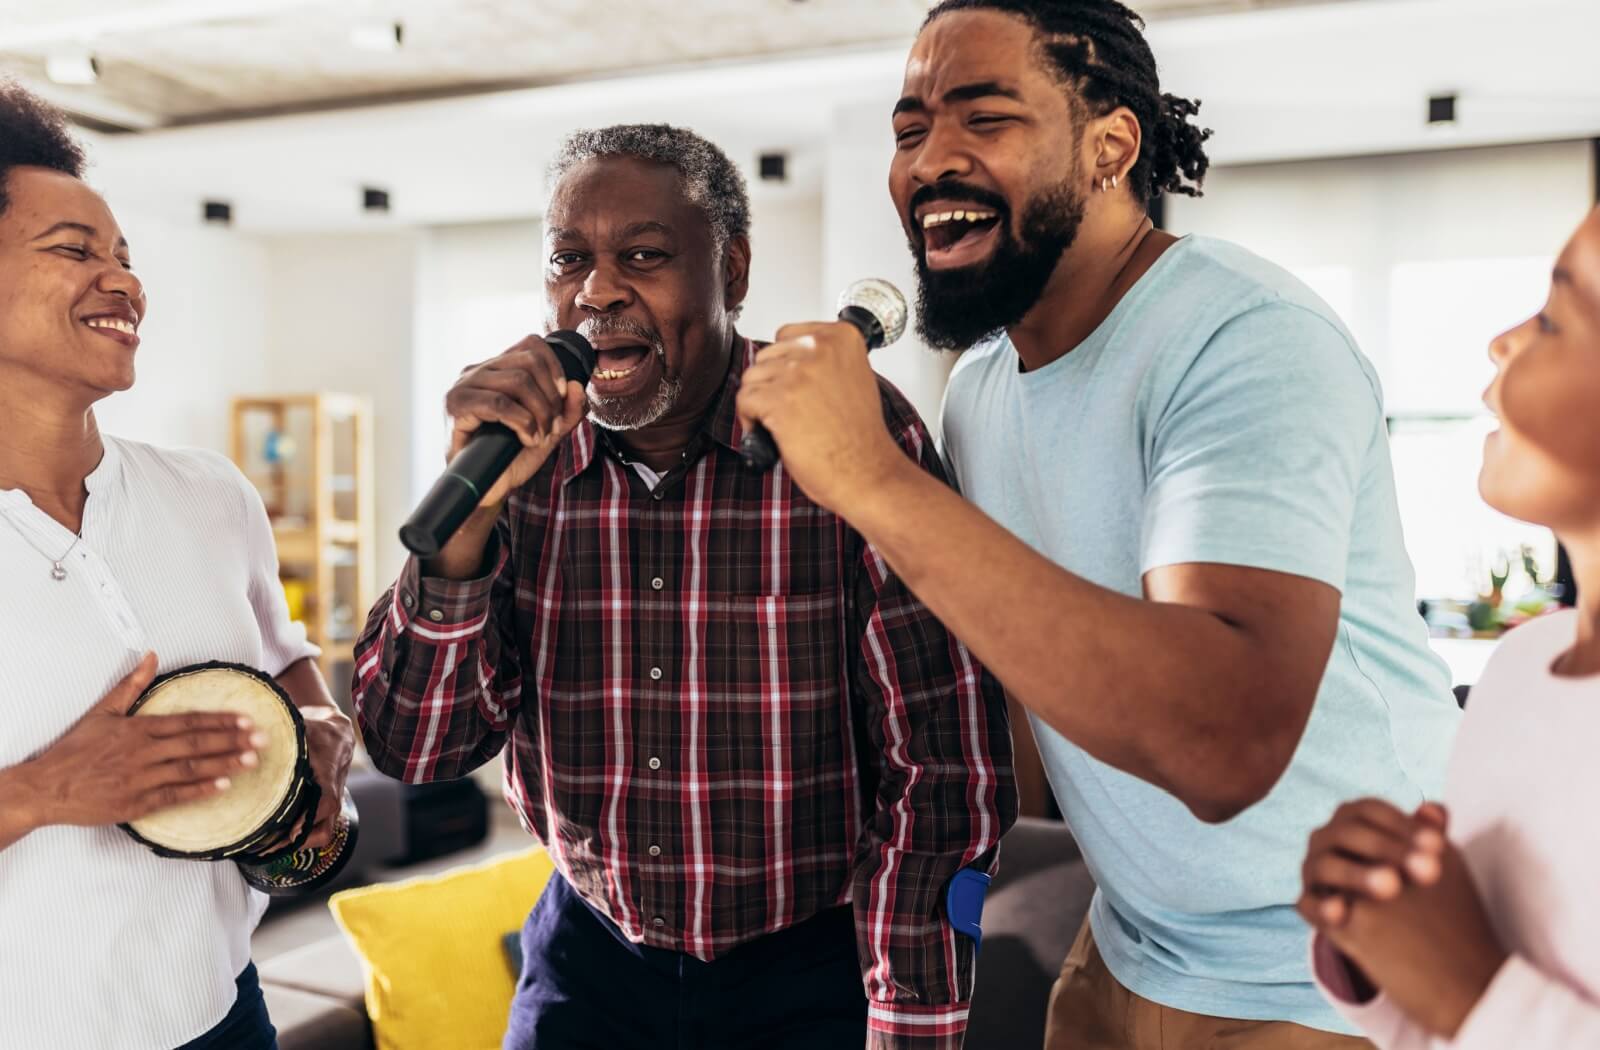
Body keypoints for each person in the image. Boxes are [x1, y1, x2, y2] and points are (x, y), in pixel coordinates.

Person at [733, 2, 1461, 1046]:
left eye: (984, 119)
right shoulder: (979, 389)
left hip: (1332, 981)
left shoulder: (1244, 340)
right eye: (908, 131)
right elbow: (1039, 704)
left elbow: (1222, 744)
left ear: (1111, 145)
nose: (931, 160)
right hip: (1125, 951)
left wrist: (876, 482)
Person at [352, 124, 1016, 1050]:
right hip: (590, 959)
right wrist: (463, 531)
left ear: (732, 272)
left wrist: (909, 1023)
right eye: (568, 260)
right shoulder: (519, 464)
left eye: (644, 256)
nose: (596, 292)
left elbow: (942, 764)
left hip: (811, 972)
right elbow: (413, 748)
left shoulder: (850, 433)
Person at [0, 82, 355, 1050]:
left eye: (125, 257)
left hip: (225, 1016)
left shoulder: (211, 494)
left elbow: (290, 663)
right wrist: (41, 791)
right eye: (74, 251)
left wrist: (321, 736)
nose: (124, 283)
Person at [1299, 205, 1600, 1048]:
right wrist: (1382, 944)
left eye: (1556, 315)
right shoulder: (1522, 663)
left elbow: (1476, 1001)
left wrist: (1472, 993)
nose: (1504, 341)